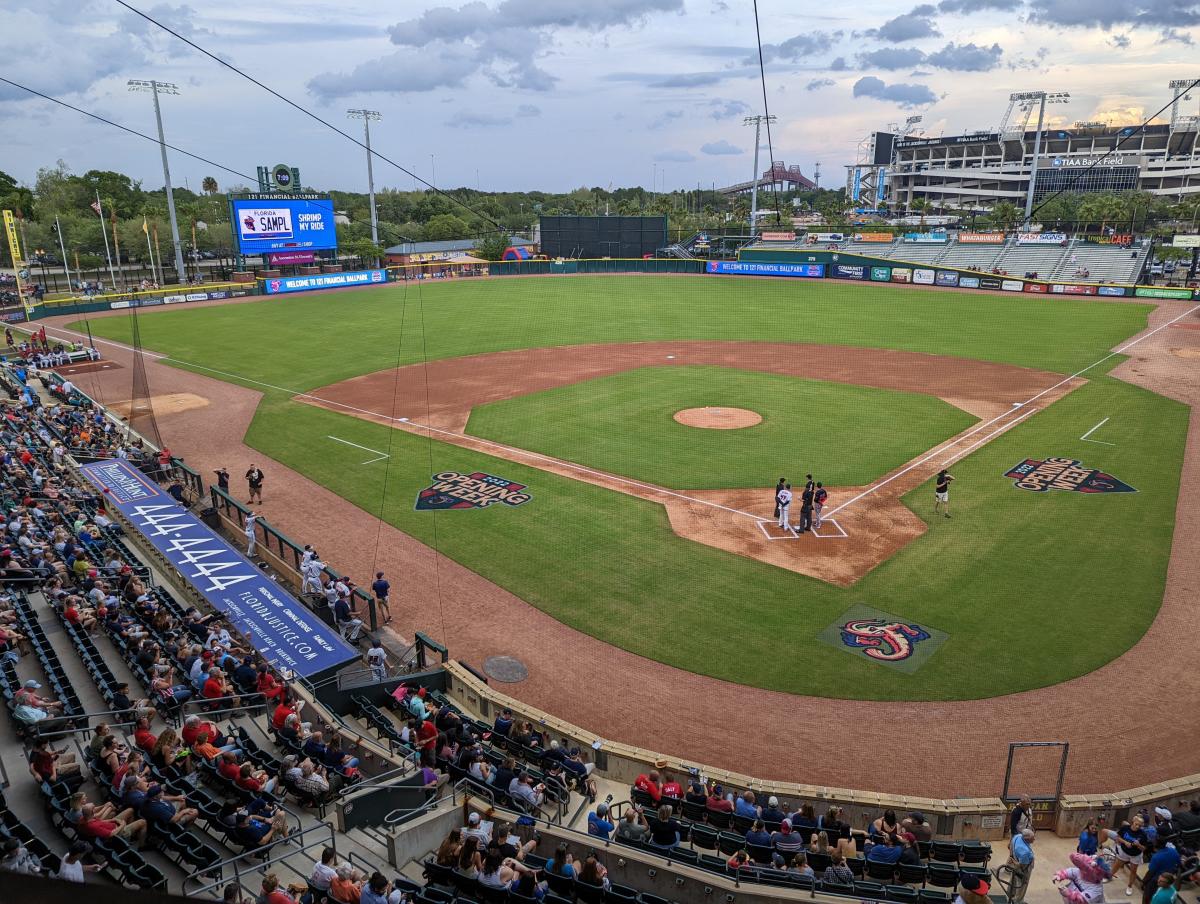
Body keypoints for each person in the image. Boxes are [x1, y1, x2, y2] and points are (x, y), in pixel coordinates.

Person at [1113, 816, 1149, 896]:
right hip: (1124, 851)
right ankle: (1109, 876)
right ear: (1133, 822)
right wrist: (1125, 842)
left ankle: (1129, 886)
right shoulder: (1125, 828)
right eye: (1136, 824)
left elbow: (1144, 849)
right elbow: (1118, 837)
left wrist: (1139, 845)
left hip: (1135, 855)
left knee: (1133, 870)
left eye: (1140, 826)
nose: (1137, 827)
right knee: (1117, 864)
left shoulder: (1143, 834)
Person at [1142, 838, 1181, 904]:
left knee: (1147, 897)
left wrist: (1144, 882)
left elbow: (1151, 872)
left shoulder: (1156, 857)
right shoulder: (1173, 851)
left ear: (1154, 847)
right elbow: (1178, 864)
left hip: (1157, 881)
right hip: (1169, 878)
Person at [1008, 827, 1036, 904]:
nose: (1034, 839)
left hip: (1015, 859)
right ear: (1026, 839)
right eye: (1033, 838)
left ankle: (1010, 894)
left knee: (1013, 879)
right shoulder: (1025, 851)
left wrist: (1012, 858)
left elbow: (1010, 847)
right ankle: (1018, 901)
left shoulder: (1017, 836)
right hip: (1022, 866)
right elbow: (1023, 866)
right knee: (1022, 884)